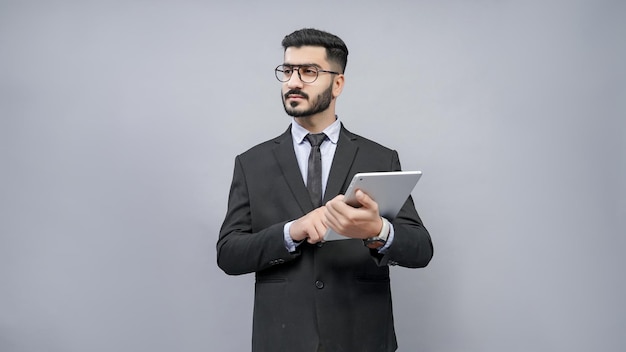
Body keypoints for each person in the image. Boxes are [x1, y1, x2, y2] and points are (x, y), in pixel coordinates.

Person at [217, 28, 433, 352]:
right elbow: (229, 254)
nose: (292, 82)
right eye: (287, 71)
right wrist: (292, 231)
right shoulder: (251, 163)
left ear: (338, 84)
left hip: (362, 340)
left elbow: (421, 249)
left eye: (308, 72)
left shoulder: (380, 158)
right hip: (282, 340)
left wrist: (378, 230)